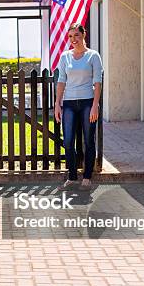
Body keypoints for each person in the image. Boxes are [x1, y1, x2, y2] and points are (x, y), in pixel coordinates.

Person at [54, 23, 103, 190]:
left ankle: (87, 177)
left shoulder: (93, 56)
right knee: (68, 142)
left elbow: (97, 82)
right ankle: (72, 177)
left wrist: (95, 105)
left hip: (88, 102)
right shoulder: (65, 57)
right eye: (70, 36)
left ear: (83, 35)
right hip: (68, 103)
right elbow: (61, 81)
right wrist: (57, 104)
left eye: (76, 35)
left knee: (88, 140)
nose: (73, 39)